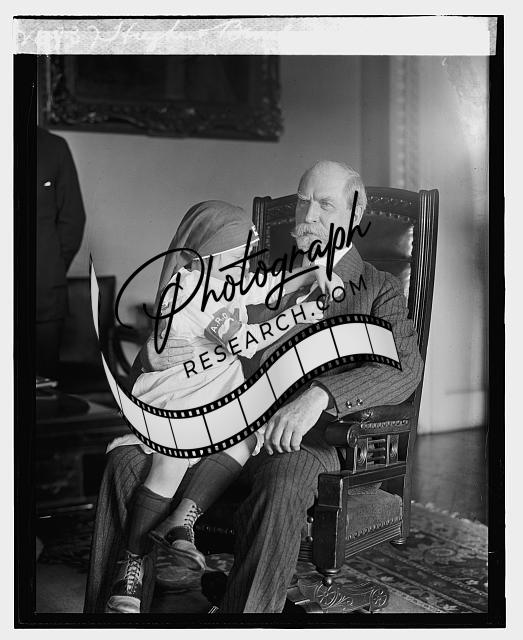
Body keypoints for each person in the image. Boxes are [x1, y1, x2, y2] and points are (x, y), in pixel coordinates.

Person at [84, 161, 424, 614]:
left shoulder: (379, 288)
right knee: (125, 462)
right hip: (219, 422)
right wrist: (160, 354)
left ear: (355, 214)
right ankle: (115, 612)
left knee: (283, 478)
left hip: (304, 440)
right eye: (303, 202)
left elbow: (405, 368)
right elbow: (185, 334)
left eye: (325, 204)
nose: (310, 215)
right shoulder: (249, 274)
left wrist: (319, 397)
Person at [104, 200, 340, 613]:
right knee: (172, 461)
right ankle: (132, 563)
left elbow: (267, 286)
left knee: (244, 440)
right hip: (182, 393)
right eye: (237, 257)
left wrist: (311, 273)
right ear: (207, 254)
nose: (245, 268)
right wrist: (299, 314)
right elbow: (246, 341)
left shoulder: (220, 278)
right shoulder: (189, 292)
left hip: (213, 389)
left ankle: (181, 521)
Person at [36, 126, 86, 380]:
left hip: (42, 296)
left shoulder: (53, 147)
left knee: (43, 389)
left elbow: (72, 221)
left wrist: (49, 267)